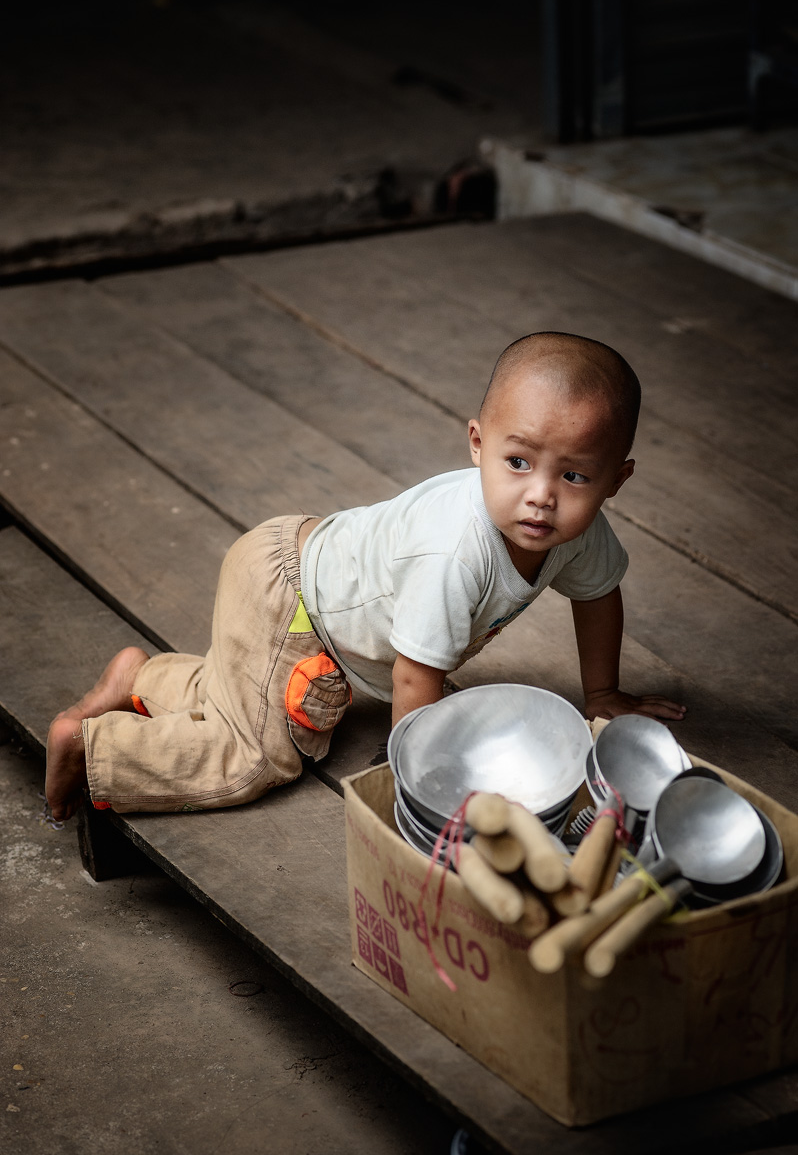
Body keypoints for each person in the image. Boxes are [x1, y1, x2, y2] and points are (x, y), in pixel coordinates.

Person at [45, 332, 685, 821]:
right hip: (293, 601)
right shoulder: (455, 553)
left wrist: (602, 694)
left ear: (615, 481)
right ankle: (95, 749)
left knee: (242, 694)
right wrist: (421, 792)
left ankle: (140, 676)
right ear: (476, 443)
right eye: (517, 461)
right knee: (257, 757)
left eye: (574, 476)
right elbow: (414, 681)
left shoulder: (579, 533)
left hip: (315, 574)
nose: (540, 496)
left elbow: (599, 594)